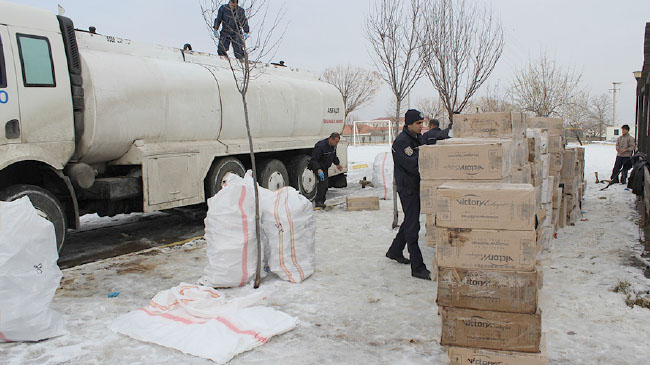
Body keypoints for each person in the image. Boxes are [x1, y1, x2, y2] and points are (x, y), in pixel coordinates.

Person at [385, 109, 431, 280]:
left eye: (422, 123)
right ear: (409, 124)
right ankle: (417, 266)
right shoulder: (402, 142)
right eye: (418, 123)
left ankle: (395, 251)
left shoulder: (417, 138)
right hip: (408, 188)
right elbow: (414, 164)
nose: (421, 126)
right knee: (413, 226)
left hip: (416, 186)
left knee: (410, 220)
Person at [311, 133, 343, 209]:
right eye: (336, 142)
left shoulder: (333, 146)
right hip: (319, 168)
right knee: (321, 185)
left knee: (325, 186)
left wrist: (337, 164)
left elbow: (333, 156)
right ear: (331, 139)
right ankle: (318, 202)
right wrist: (318, 169)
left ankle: (322, 201)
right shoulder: (320, 146)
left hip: (325, 168)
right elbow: (314, 160)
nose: (336, 144)